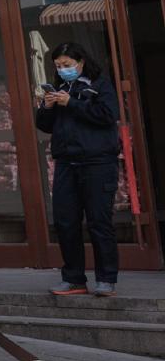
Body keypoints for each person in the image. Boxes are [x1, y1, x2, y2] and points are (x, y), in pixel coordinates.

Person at [35, 41, 122, 298]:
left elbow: (107, 115)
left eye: (67, 65)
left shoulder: (100, 85)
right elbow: (45, 126)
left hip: (98, 163)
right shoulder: (60, 88)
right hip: (66, 164)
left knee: (99, 221)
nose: (63, 70)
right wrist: (47, 106)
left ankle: (106, 279)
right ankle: (73, 279)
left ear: (81, 62)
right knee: (66, 222)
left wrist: (71, 102)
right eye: (59, 66)